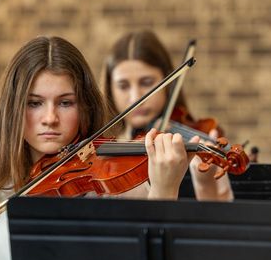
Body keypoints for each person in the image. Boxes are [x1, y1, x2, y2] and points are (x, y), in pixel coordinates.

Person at [0, 36, 190, 260]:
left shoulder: (115, 193)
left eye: (65, 103)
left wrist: (165, 188)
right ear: (12, 109)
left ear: (84, 108)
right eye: (34, 103)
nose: (50, 118)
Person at [100, 30, 233, 202]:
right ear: (110, 89)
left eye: (147, 83)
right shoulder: (101, 157)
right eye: (123, 86)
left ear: (167, 84)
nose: (135, 98)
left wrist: (207, 185)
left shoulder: (191, 143)